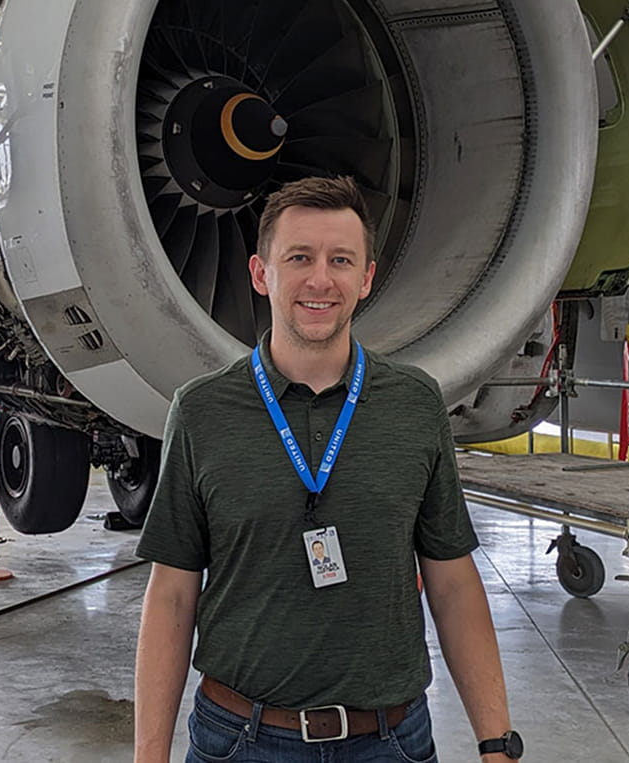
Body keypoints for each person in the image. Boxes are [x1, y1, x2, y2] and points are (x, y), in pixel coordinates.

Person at [133, 176, 520, 762]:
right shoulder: (203, 411)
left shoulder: (414, 403)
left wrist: (497, 743)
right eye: (299, 258)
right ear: (263, 274)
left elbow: (453, 582)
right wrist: (148, 756)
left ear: (365, 279)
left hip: (391, 741)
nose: (320, 280)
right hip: (240, 741)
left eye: (341, 260)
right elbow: (172, 598)